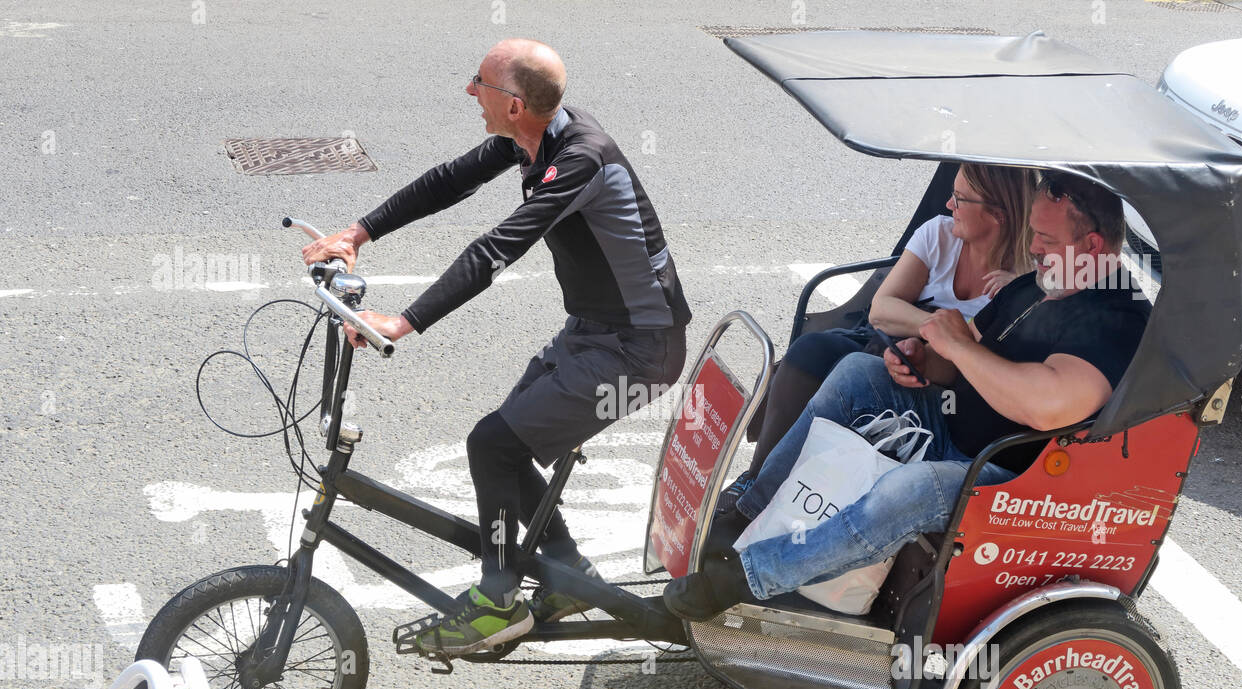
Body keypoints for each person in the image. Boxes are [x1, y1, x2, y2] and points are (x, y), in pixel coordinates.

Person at [303, 39, 690, 654]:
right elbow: (450, 181)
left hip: (640, 354)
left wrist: (404, 322)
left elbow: (495, 250)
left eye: (478, 81)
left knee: (494, 444)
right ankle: (567, 578)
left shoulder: (581, 159)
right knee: (508, 448)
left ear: (513, 105)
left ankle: (497, 601)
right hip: (595, 333)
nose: (469, 90)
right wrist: (358, 233)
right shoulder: (534, 135)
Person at [665, 173, 1148, 620]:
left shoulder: (1116, 314)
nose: (1034, 249)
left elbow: (1047, 406)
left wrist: (957, 345)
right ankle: (743, 517)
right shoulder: (1034, 286)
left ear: (1092, 245)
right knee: (858, 371)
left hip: (1012, 476)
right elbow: (963, 358)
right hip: (952, 425)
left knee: (907, 490)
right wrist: (921, 357)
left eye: (1045, 240)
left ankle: (748, 578)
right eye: (1034, 237)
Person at [718, 164, 1035, 512]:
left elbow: (987, 358)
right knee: (810, 352)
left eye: (959, 199)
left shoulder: (1025, 279)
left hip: (951, 384)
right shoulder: (938, 234)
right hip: (887, 343)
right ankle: (756, 477)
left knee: (857, 377)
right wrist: (940, 329)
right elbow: (881, 308)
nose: (947, 204)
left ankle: (786, 501)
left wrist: (961, 333)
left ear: (997, 214)